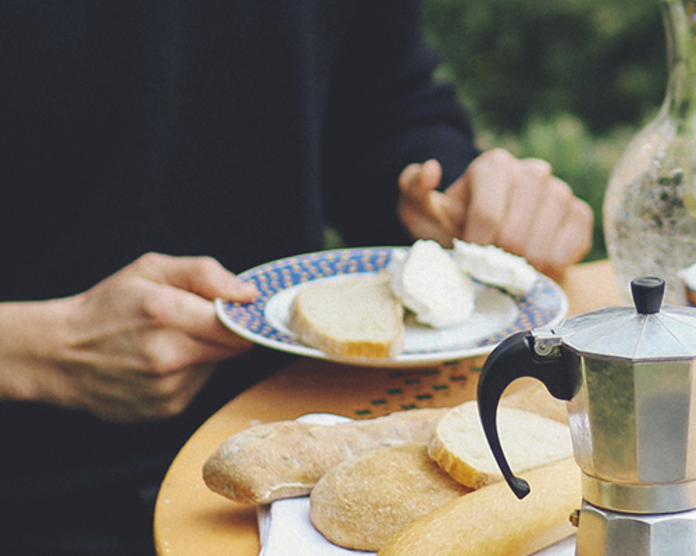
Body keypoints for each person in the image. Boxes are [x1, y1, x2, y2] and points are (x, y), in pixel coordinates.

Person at [0, 2, 593, 553]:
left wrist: (454, 200)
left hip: (294, 446)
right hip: (37, 490)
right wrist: (38, 349)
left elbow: (381, 104)